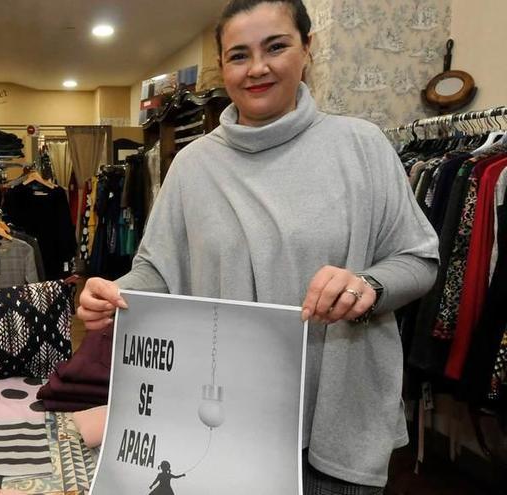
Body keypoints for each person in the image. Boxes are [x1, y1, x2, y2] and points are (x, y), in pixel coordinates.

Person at [77, 0, 439, 493]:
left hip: (335, 415)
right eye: (239, 55)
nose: (258, 68)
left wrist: (367, 285)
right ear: (223, 67)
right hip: (223, 422)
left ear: (307, 49)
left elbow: (418, 259)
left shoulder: (362, 147)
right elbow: (157, 272)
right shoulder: (193, 166)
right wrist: (116, 294)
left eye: (276, 47)